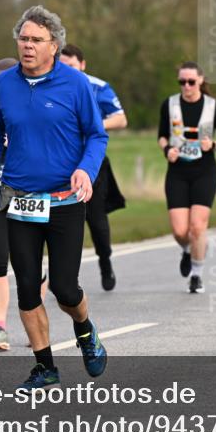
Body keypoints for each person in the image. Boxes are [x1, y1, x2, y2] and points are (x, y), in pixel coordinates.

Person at [0, 5, 109, 390]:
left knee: (65, 288)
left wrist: (86, 169)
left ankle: (84, 328)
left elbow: (97, 136)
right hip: (19, 200)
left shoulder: (76, 85)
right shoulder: (4, 85)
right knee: (28, 286)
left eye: (36, 40)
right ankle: (44, 365)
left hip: (65, 200)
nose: (28, 46)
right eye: (23, 39)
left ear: (54, 46)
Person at [0, 57, 47, 352]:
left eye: (3, 78)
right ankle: (0, 328)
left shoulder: (35, 107)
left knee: (28, 265)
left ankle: (36, 321)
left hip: (29, 196)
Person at [158, 62, 216, 294]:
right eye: (182, 82)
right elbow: (162, 136)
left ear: (200, 80)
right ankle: (188, 250)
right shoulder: (170, 104)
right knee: (181, 232)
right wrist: (167, 150)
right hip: (178, 173)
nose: (187, 86)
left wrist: (213, 144)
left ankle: (197, 275)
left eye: (191, 81)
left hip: (205, 172)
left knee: (197, 227)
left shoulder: (213, 107)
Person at [58, 44, 128, 291]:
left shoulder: (97, 86)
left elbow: (121, 118)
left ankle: (105, 261)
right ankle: (66, 276)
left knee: (96, 222)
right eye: (63, 66)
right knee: (64, 221)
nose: (67, 71)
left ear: (83, 65)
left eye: (72, 67)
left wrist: (95, 125)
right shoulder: (51, 85)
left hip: (91, 163)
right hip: (59, 165)